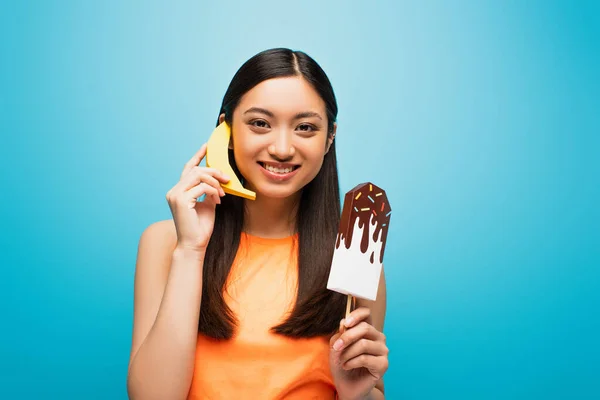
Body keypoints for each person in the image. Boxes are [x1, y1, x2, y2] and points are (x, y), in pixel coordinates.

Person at [126, 48, 389, 400]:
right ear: (226, 131)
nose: (282, 148)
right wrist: (190, 251)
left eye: (305, 128)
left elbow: (368, 392)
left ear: (330, 138)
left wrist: (357, 394)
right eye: (260, 123)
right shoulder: (165, 243)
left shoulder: (353, 260)